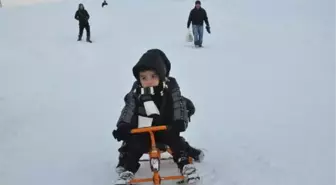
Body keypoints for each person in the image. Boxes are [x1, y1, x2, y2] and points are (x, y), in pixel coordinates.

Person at [112, 50, 200, 185]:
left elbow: (178, 104)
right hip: (144, 130)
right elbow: (129, 108)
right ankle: (128, 169)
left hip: (166, 127)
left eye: (153, 76)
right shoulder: (137, 92)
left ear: (161, 75)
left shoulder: (170, 88)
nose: (148, 81)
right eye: (144, 78)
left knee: (176, 142)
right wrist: (123, 125)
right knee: (134, 144)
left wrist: (179, 121)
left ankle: (184, 163)